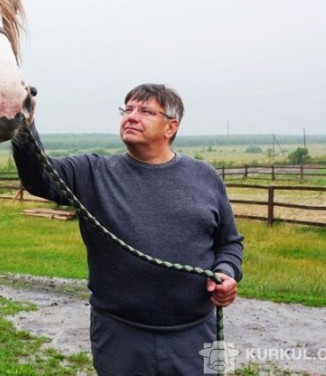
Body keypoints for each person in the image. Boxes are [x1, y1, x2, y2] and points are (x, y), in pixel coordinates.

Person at [12, 83, 243, 375]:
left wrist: (227, 272)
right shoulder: (92, 173)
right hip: (120, 335)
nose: (132, 116)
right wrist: (23, 120)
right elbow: (38, 177)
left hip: (194, 334)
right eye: (128, 109)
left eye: (145, 111)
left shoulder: (205, 177)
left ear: (171, 127)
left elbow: (230, 242)